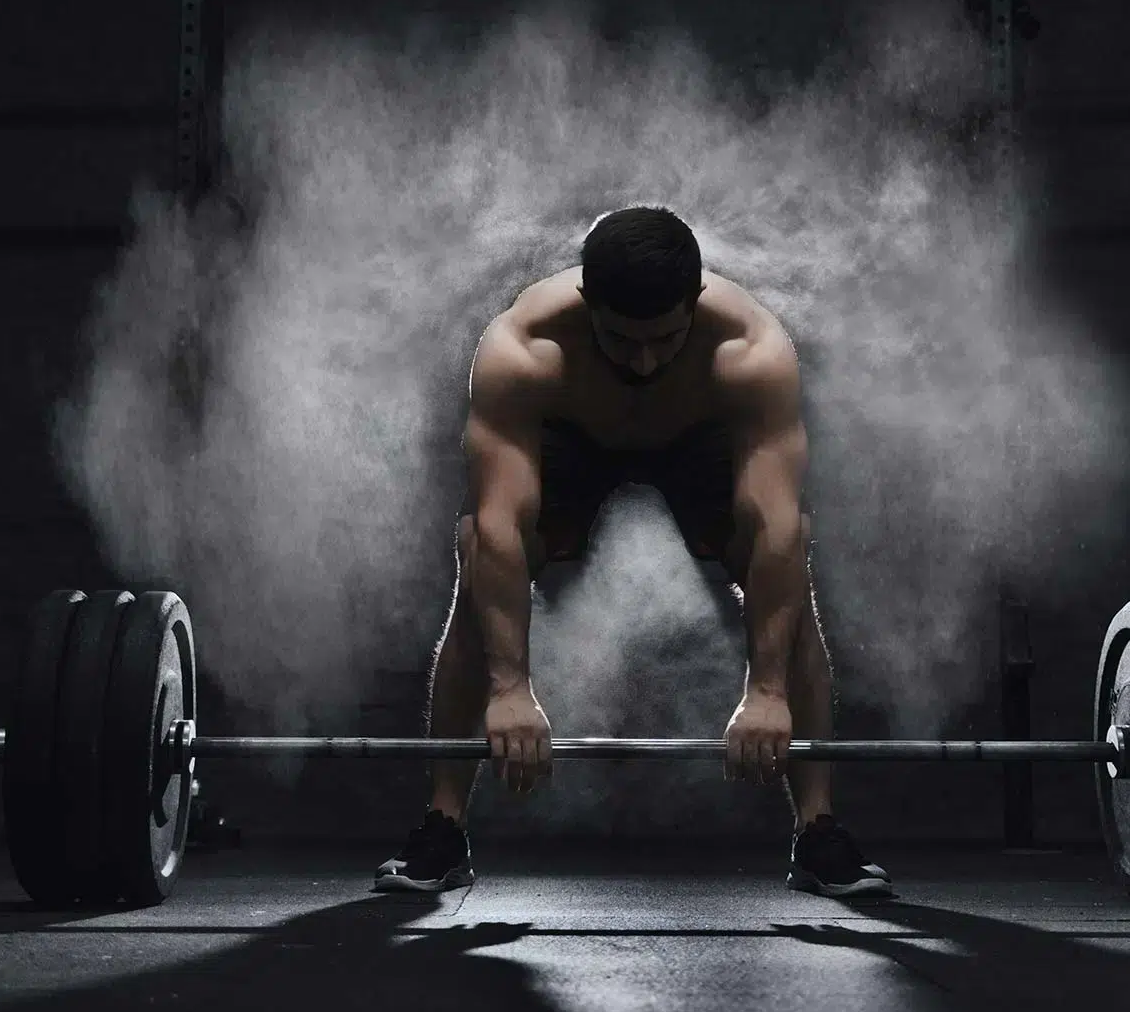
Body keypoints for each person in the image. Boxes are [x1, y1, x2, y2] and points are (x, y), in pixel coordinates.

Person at [374, 206, 892, 898]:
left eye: (666, 339)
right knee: (481, 555)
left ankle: (818, 831)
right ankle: (442, 829)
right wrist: (509, 689)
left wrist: (766, 691)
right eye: (621, 341)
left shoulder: (751, 355)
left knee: (789, 558)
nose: (644, 361)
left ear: (697, 301)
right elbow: (501, 523)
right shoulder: (522, 352)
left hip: (698, 436)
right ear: (587, 302)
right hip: (573, 435)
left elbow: (773, 529)